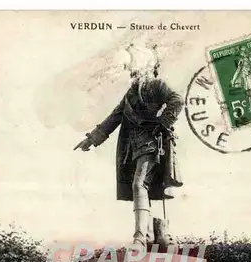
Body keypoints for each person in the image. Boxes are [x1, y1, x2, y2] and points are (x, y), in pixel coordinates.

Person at [75, 44, 184, 247]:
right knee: (144, 186)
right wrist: (91, 139)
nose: (131, 70)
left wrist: (161, 124)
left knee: (139, 184)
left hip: (152, 143)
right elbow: (115, 116)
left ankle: (140, 237)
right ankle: (152, 234)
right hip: (133, 147)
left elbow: (177, 100)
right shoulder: (132, 92)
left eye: (134, 65)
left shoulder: (158, 84)